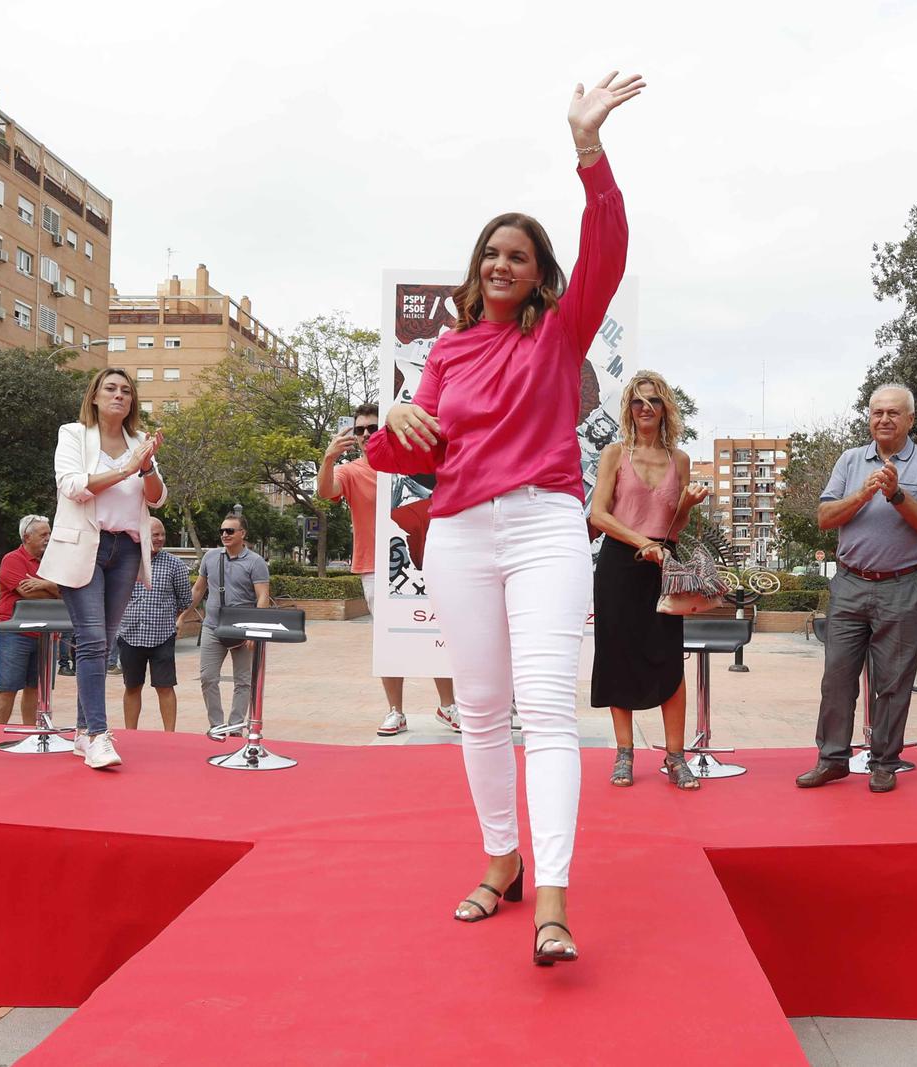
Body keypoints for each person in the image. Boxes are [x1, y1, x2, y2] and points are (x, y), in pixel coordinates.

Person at [369, 70, 642, 966]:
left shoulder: (556, 333)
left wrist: (588, 149)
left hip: (544, 529)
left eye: (518, 256)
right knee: (483, 711)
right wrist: (393, 428)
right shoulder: (447, 350)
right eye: (491, 254)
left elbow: (609, 246)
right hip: (457, 534)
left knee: (549, 713)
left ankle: (554, 903)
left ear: (538, 275)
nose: (501, 265)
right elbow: (414, 453)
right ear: (476, 268)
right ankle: (501, 862)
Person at [795, 383, 917, 794]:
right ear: (869, 418)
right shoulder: (850, 461)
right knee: (837, 677)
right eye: (877, 412)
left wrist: (897, 494)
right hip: (849, 582)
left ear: (910, 420)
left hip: (904, 585)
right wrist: (864, 493)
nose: (884, 419)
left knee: (894, 681)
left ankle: (884, 761)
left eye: (893, 413)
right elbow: (825, 517)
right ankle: (832, 759)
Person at [588, 370, 711, 790]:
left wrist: (688, 505)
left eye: (653, 401)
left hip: (665, 565)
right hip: (620, 564)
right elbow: (598, 515)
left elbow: (674, 527)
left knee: (668, 659)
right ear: (629, 408)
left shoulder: (680, 459)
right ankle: (624, 754)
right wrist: (643, 542)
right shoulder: (614, 454)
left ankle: (676, 758)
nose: (645, 408)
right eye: (638, 401)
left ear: (665, 409)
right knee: (618, 655)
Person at [40, 367, 165, 771]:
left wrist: (145, 467)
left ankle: (80, 732)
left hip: (125, 550)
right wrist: (127, 468)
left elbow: (158, 498)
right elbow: (73, 486)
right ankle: (97, 734)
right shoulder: (73, 434)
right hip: (85, 548)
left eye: (126, 391)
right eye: (110, 388)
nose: (119, 396)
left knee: (104, 642)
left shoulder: (141, 442)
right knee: (93, 641)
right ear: (94, 396)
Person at [317, 401, 457, 737]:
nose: (366, 434)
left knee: (438, 634)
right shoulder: (351, 471)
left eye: (372, 427)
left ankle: (448, 706)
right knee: (389, 641)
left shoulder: (410, 466)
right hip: (377, 567)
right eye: (360, 429)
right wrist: (328, 458)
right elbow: (325, 492)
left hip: (426, 562)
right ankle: (395, 711)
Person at [191, 513, 270, 740]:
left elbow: (262, 596)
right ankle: (217, 725)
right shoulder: (211, 557)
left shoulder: (255, 562)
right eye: (222, 531)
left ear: (242, 534)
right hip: (213, 626)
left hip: (243, 628)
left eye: (230, 531)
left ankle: (235, 726)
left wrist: (255, 631)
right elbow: (199, 589)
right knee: (208, 677)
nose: (224, 535)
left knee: (243, 680)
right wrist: (184, 614)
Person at [117, 518, 191, 731]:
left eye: (162, 534)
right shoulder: (125, 561)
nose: (160, 539)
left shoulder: (175, 564)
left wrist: (166, 617)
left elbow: (184, 600)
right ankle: (131, 733)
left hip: (162, 637)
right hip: (129, 635)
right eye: (155, 535)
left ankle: (170, 735)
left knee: (165, 687)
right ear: (140, 535)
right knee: (132, 687)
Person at [0, 514, 60, 726]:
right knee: (7, 688)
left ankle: (29, 732)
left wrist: (45, 585)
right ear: (27, 537)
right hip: (14, 633)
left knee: (35, 688)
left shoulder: (55, 562)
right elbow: (27, 594)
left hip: (46, 635)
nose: (48, 538)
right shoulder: (12, 559)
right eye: (43, 534)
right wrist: (54, 588)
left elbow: (70, 592)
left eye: (49, 533)